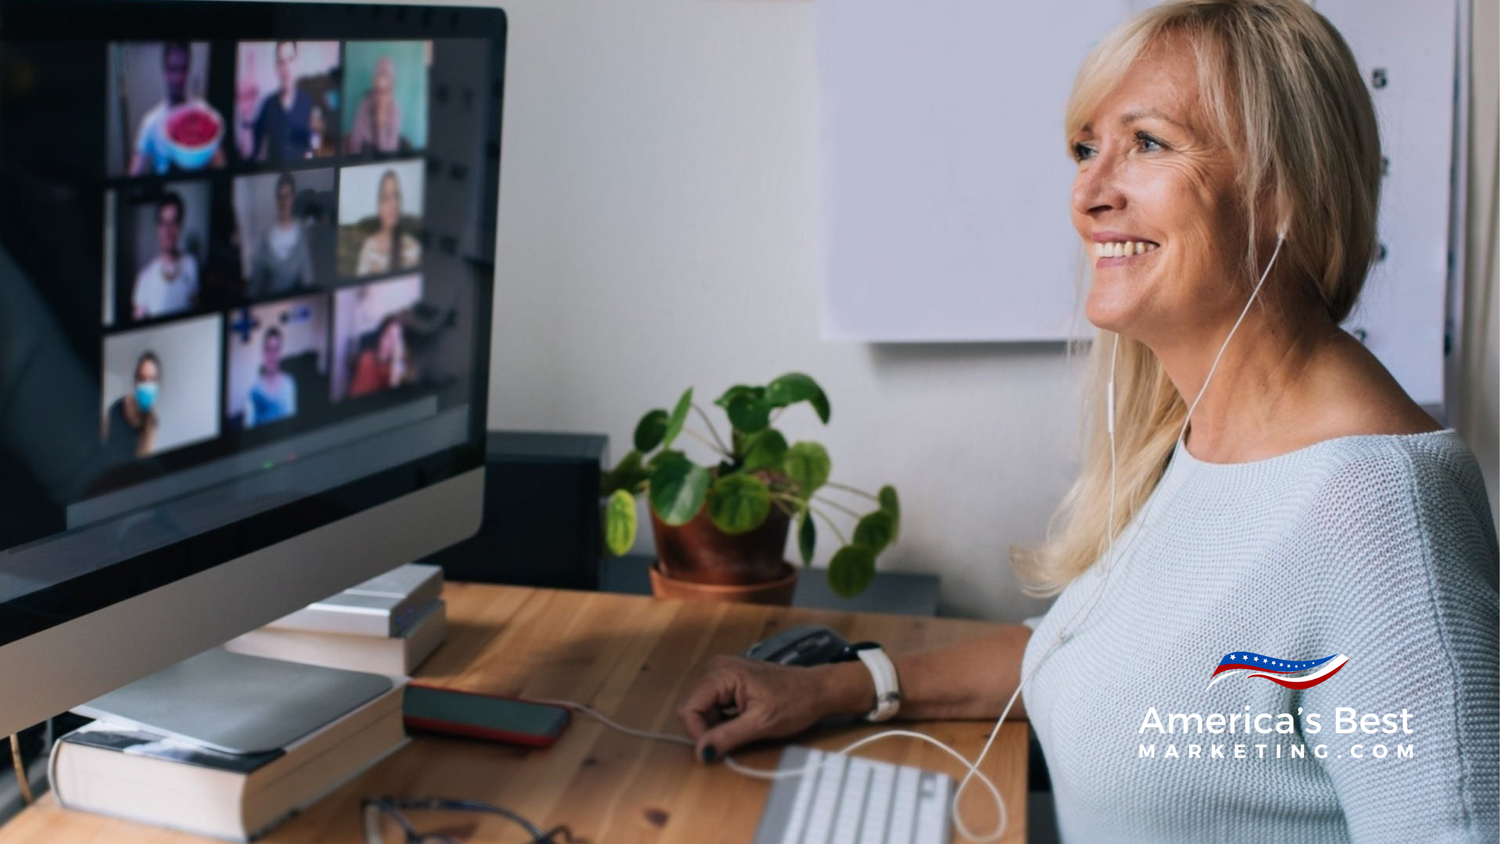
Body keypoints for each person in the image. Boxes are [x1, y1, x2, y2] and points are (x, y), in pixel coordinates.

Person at [675, 3, 1498, 843]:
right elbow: (1111, 665)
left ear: (1284, 188)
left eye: (1146, 142)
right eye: (1085, 148)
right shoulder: (1209, 433)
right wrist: (840, 686)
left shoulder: (1382, 518)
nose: (1088, 194)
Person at [128, 42, 224, 176]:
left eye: (183, 69)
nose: (178, 78)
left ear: (188, 70)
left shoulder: (204, 112)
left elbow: (220, 163)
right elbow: (134, 174)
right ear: (165, 71)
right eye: (173, 69)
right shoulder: (151, 122)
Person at [132, 192, 199, 321]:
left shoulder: (192, 264)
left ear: (180, 226)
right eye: (163, 223)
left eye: (173, 222)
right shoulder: (144, 277)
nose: (167, 230)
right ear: (157, 228)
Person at [247, 173, 315, 298]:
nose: (283, 201)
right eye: (280, 196)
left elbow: (307, 278)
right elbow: (255, 284)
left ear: (293, 199)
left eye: (287, 196)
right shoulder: (266, 235)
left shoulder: (302, 233)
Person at [250, 41, 315, 162]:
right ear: (276, 67)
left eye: (290, 59)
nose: (286, 68)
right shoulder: (267, 104)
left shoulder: (306, 101)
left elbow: (308, 146)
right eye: (281, 62)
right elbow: (256, 152)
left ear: (297, 63)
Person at [355, 170, 421, 275]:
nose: (393, 204)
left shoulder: (414, 247)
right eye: (386, 198)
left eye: (396, 196)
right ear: (378, 208)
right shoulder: (368, 248)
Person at [102, 352, 160, 461]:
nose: (147, 385)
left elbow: (145, 457)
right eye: (142, 379)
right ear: (135, 381)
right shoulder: (115, 410)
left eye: (152, 379)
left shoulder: (152, 420)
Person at [346, 55, 407, 155]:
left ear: (391, 90)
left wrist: (380, 126)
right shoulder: (365, 104)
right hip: (363, 157)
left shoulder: (395, 111)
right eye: (377, 90)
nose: (380, 97)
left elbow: (388, 154)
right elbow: (355, 141)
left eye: (385, 91)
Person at [348, 314, 410, 398]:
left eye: (394, 341)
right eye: (387, 335)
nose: (387, 344)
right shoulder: (367, 355)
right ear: (381, 335)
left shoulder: (395, 369)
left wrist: (396, 360)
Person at [245, 328, 296, 427]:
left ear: (280, 353)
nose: (272, 355)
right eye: (268, 349)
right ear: (263, 353)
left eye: (275, 350)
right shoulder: (253, 392)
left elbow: (292, 425)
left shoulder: (289, 385)